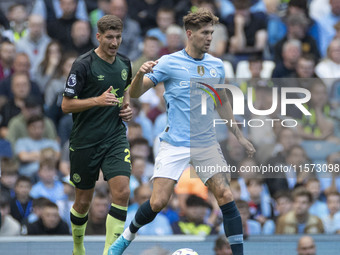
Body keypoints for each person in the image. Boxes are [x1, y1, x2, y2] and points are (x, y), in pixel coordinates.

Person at [109, 8, 255, 255]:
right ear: (190, 34)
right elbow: (134, 94)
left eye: (212, 32)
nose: (210, 38)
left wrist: (239, 135)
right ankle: (126, 237)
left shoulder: (217, 66)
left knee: (226, 195)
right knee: (158, 202)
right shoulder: (169, 62)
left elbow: (221, 101)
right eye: (205, 33)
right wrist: (140, 75)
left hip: (206, 143)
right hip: (174, 142)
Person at [61, 15, 133, 255]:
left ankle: (109, 252)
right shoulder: (83, 64)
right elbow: (66, 105)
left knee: (122, 192)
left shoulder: (124, 63)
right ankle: (78, 247)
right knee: (82, 202)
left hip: (115, 137)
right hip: (85, 140)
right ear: (98, 36)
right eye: (109, 37)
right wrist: (97, 101)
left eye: (118, 37)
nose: (114, 42)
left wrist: (127, 108)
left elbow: (125, 93)